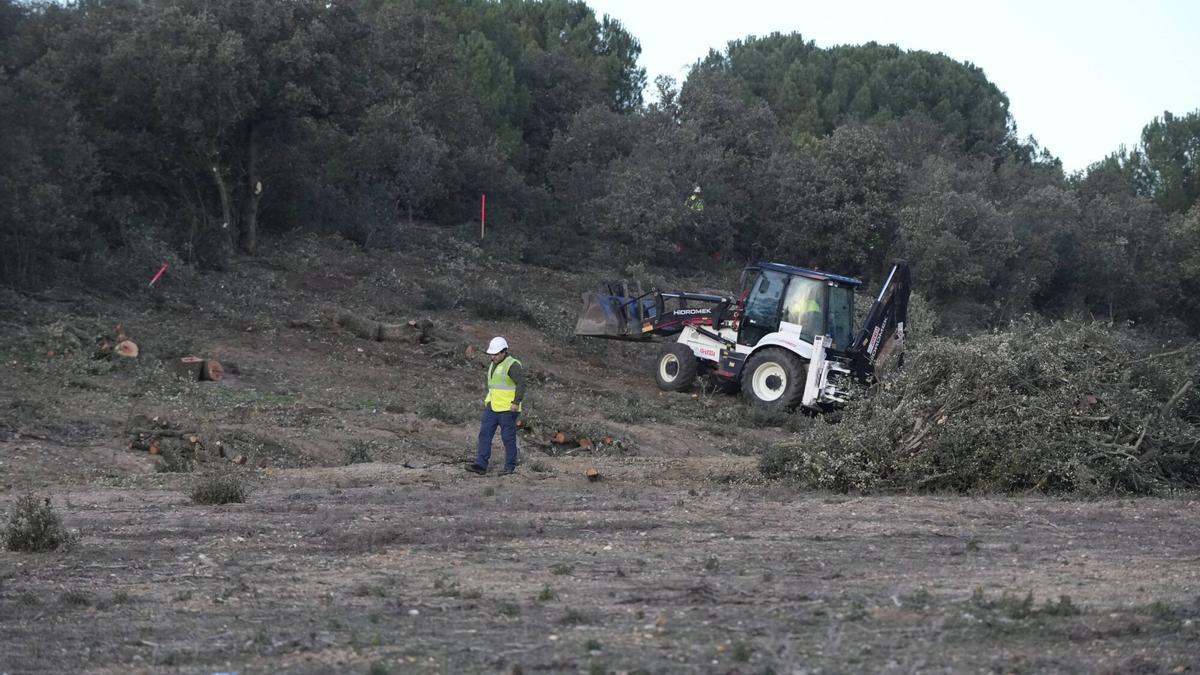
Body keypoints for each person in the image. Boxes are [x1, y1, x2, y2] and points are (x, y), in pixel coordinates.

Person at [466, 336, 526, 476]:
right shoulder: (494, 363)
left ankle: (509, 467)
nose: (493, 357)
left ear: (504, 352)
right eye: (492, 354)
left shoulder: (513, 365)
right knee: (484, 435)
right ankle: (481, 465)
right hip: (492, 407)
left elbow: (522, 384)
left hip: (508, 409)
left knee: (508, 438)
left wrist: (516, 402)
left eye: (496, 354)